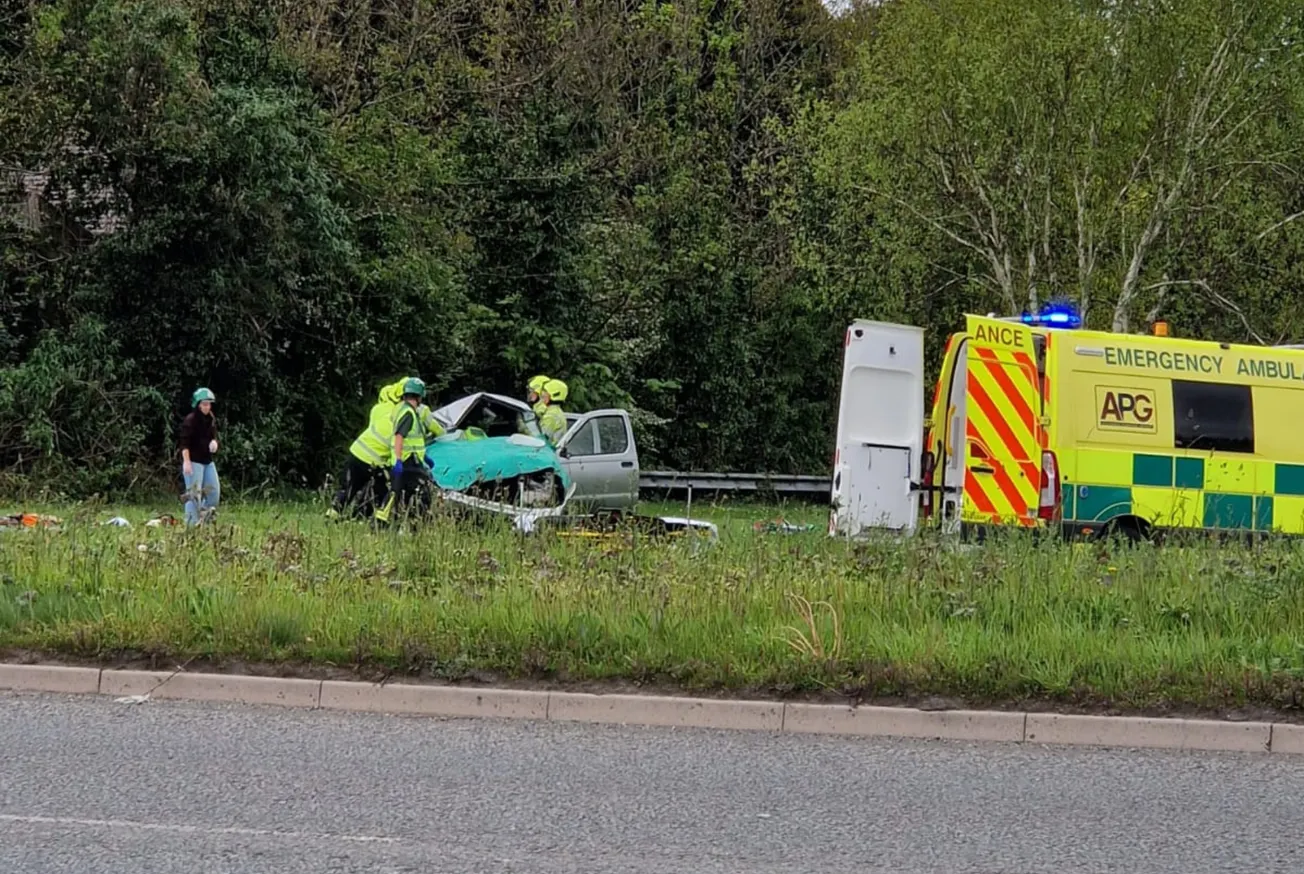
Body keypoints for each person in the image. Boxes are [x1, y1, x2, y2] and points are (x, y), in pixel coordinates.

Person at [374, 377, 434, 523]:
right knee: (422, 492)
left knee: (399, 493)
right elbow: (400, 436)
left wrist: (424, 457)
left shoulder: (403, 409)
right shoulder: (408, 413)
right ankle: (417, 524)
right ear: (419, 396)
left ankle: (385, 522)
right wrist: (399, 460)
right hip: (407, 461)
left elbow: (411, 440)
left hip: (407, 459)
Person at [179, 388, 220, 526]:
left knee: (214, 494)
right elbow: (184, 444)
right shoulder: (190, 421)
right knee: (193, 496)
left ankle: (204, 521)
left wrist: (214, 443)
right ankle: (191, 526)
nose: (207, 407)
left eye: (209, 404)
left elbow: (213, 435)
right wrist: (186, 462)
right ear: (198, 405)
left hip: (207, 462)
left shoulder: (211, 418)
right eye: (204, 404)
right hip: (193, 461)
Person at [538, 378, 569, 446]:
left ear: (553, 395)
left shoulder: (551, 416)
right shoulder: (557, 412)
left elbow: (540, 440)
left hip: (548, 453)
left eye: (545, 393)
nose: (542, 396)